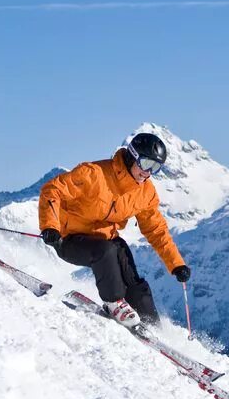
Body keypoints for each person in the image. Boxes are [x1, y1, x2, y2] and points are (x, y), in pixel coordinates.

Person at [39, 132, 192, 328]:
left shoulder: (145, 192)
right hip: (68, 239)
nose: (148, 173)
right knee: (106, 250)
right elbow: (52, 190)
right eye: (146, 164)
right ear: (132, 156)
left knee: (126, 265)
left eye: (156, 168)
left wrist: (176, 264)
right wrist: (50, 227)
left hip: (105, 240)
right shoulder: (94, 174)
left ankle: (151, 324)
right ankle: (114, 303)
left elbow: (156, 229)